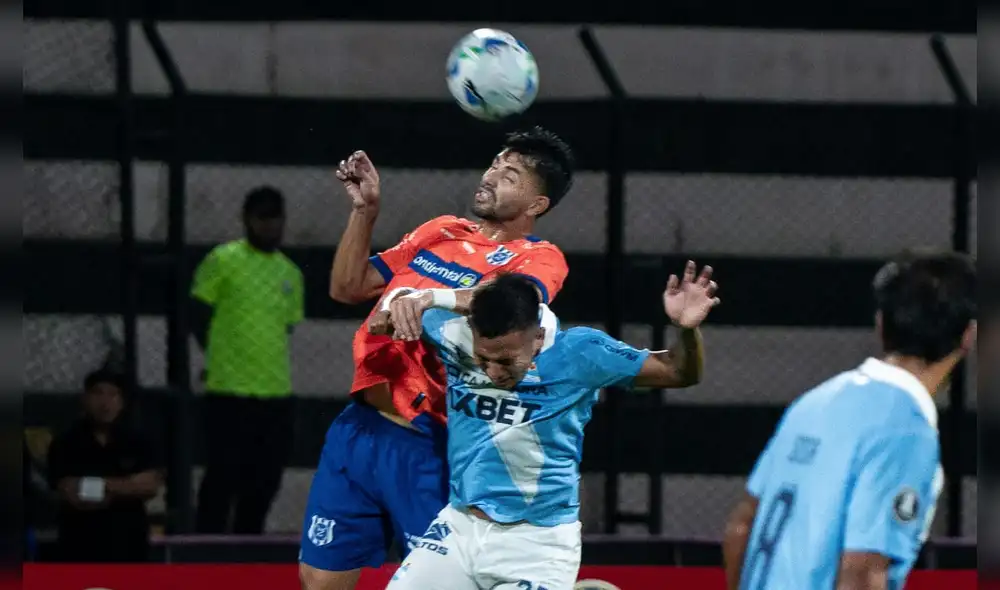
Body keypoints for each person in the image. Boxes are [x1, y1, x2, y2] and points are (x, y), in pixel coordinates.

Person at [300, 127, 574, 590]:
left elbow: (513, 303)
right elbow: (347, 287)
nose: (491, 176)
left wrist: (433, 299)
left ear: (537, 205)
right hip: (359, 425)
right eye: (494, 164)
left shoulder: (540, 257)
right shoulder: (441, 230)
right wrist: (365, 211)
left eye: (510, 174)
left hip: (431, 444)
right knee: (320, 581)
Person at [379, 268, 719, 590]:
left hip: (538, 543)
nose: (495, 373)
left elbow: (678, 372)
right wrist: (416, 299)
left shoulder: (580, 353)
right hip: (458, 526)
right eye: (484, 359)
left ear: (538, 337)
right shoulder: (451, 333)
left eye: (507, 360)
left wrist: (687, 330)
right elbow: (387, 312)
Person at [722, 251, 976, 590]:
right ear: (969, 335)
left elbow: (742, 527)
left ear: (881, 323)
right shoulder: (906, 433)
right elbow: (862, 573)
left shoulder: (814, 401)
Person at [190, 186, 305, 534]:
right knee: (222, 475)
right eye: (263, 218)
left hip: (274, 392)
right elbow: (197, 314)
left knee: (265, 478)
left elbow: (285, 328)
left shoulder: (291, 273)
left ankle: (247, 551)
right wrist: (219, 355)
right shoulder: (222, 260)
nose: (270, 226)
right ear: (247, 219)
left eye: (276, 218)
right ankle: (207, 553)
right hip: (228, 389)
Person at [46, 369, 164, 562]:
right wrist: (127, 485)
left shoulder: (138, 441)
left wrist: (98, 486)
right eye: (98, 393)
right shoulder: (66, 442)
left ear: (122, 402)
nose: (105, 402)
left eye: (113, 394)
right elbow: (70, 491)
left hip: (129, 544)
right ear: (85, 399)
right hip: (79, 544)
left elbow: (149, 486)